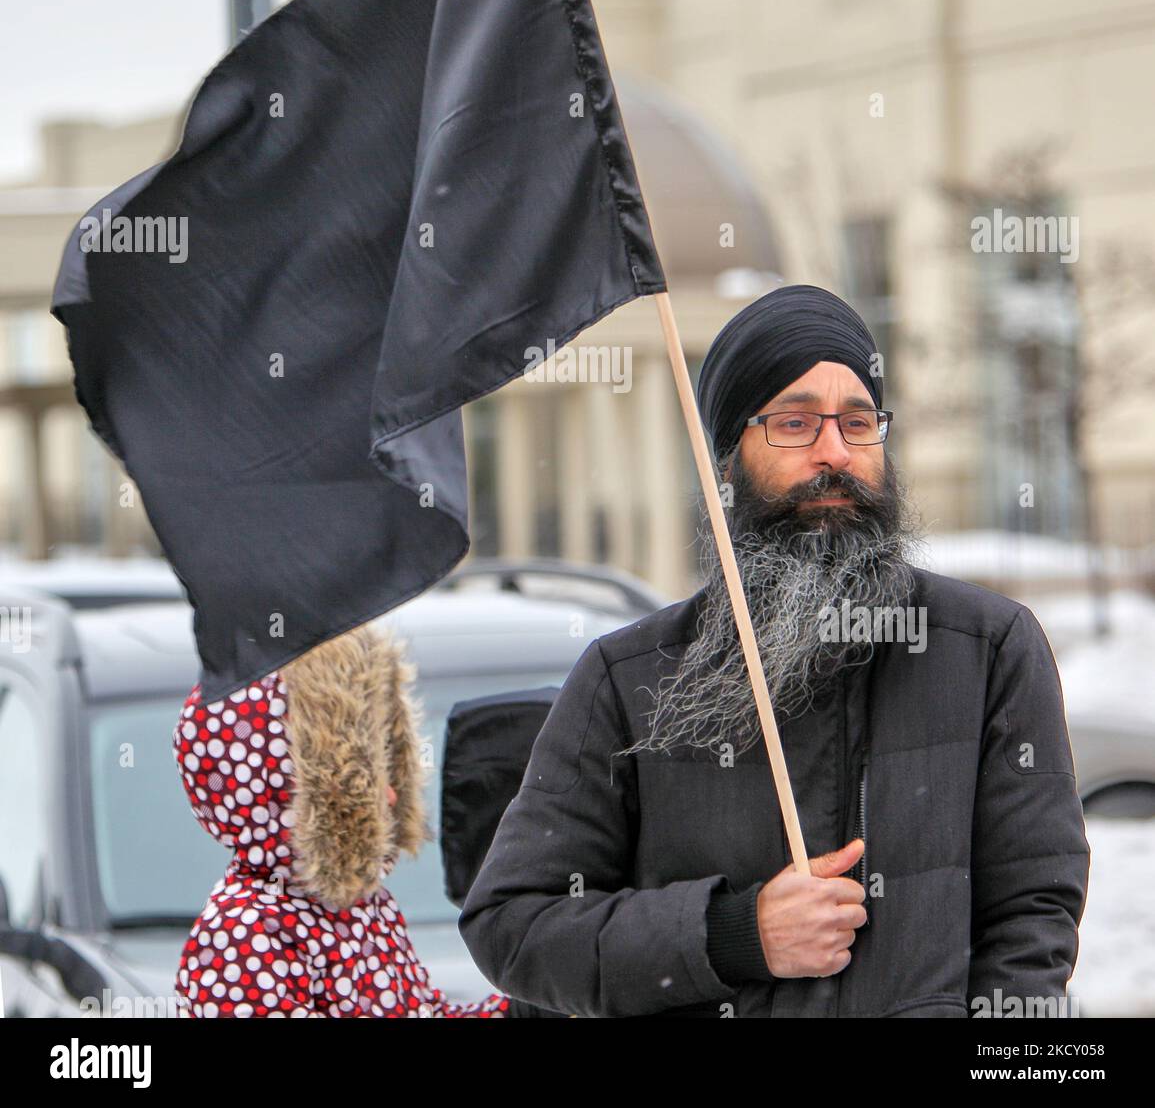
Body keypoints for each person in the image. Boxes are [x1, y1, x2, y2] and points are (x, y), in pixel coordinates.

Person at [458, 283, 1090, 1018]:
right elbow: (512, 926)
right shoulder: (626, 678)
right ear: (726, 462)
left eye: (857, 422)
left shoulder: (985, 650)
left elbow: (1032, 916)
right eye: (794, 423)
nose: (833, 453)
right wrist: (732, 933)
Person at [173, 623, 508, 1017]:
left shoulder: (362, 911)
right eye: (361, 778)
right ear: (287, 788)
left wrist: (526, 1011)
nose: (390, 794)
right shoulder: (244, 936)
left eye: (385, 767)